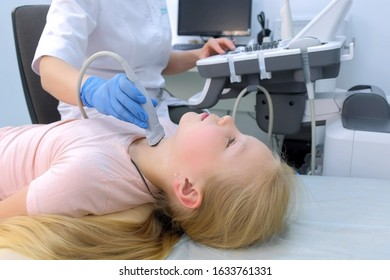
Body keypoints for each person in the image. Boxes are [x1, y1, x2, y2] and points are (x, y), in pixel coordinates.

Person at [0, 112, 298, 259]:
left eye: (231, 142)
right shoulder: (161, 132)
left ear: (188, 189)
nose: (230, 119)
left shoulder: (88, 176)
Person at [33, 0, 236, 126]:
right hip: (102, 115)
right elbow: (50, 68)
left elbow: (154, 61)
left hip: (155, 106)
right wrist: (93, 90)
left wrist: (199, 55)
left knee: (215, 138)